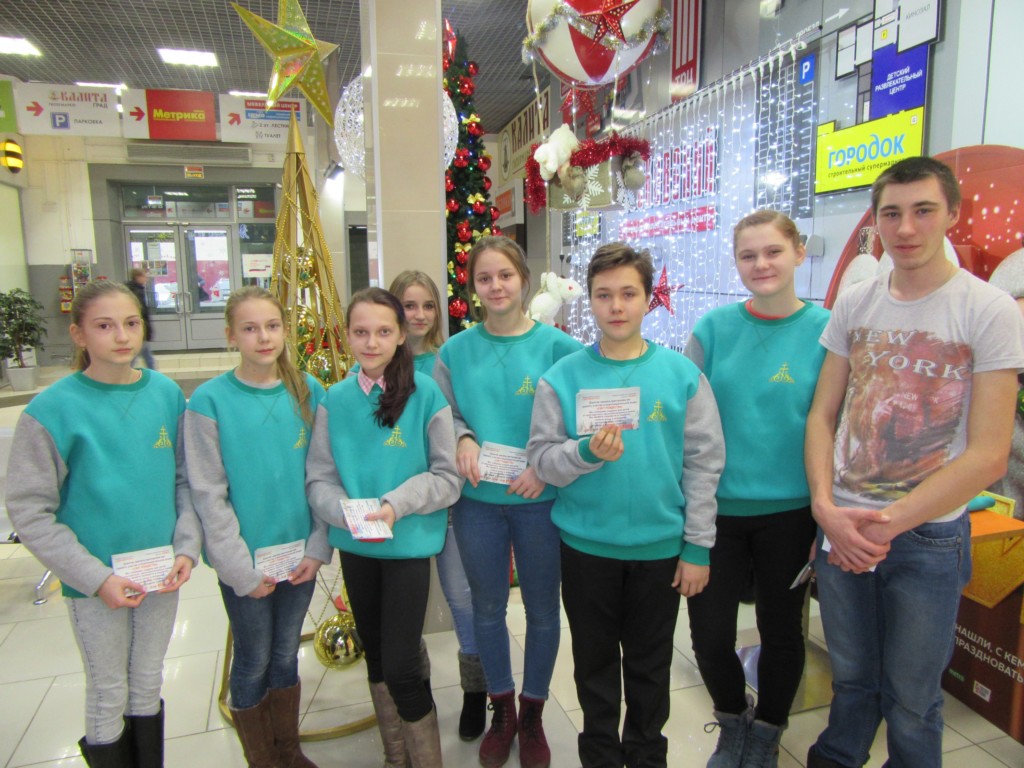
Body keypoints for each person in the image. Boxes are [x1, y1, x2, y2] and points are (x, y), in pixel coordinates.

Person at [804, 156, 1024, 768]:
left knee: (913, 699)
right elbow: (823, 416)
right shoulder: (856, 303)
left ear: (951, 214)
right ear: (876, 221)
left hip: (926, 537)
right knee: (852, 677)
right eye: (892, 213)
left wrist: (886, 524)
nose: (906, 228)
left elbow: (988, 453)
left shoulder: (987, 309)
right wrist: (825, 508)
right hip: (843, 524)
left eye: (923, 211)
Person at [527, 242, 724, 768]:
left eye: (629, 294)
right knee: (593, 669)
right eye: (604, 295)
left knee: (649, 667)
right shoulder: (563, 376)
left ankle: (646, 755)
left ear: (648, 298)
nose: (616, 306)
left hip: (659, 550)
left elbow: (704, 463)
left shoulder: (682, 375)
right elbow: (542, 459)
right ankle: (600, 756)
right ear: (589, 300)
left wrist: (698, 546)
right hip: (587, 548)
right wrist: (585, 453)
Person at [5, 279, 201, 766]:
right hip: (97, 582)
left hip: (159, 574)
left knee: (148, 678)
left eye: (131, 323)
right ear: (79, 334)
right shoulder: (52, 410)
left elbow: (184, 479)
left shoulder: (166, 394)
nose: (122, 336)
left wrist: (186, 547)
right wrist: (95, 579)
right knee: (109, 688)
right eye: (105, 326)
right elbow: (30, 510)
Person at [683, 211, 829, 768]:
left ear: (798, 252)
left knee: (782, 631)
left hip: (792, 514)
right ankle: (731, 719)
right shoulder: (713, 330)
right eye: (748, 255)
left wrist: (825, 518)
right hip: (715, 512)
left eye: (773, 251)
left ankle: (766, 730)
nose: (761, 264)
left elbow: (835, 427)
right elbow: (685, 422)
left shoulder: (827, 331)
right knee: (709, 634)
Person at [434, 235, 581, 768]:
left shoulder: (559, 348)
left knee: (542, 610)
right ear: (472, 288)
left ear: (524, 280)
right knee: (487, 608)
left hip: (541, 501)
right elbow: (444, 413)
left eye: (505, 276)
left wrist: (545, 468)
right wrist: (462, 437)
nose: (496, 286)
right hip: (478, 503)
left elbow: (578, 421)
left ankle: (533, 711)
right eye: (484, 278)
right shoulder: (454, 352)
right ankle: (502, 710)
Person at [306, 287, 462, 768]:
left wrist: (396, 505)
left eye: (382, 331)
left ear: (400, 336)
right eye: (360, 332)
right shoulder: (334, 399)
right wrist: (345, 512)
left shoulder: (426, 393)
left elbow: (447, 477)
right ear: (347, 335)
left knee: (400, 665)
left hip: (408, 547)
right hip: (357, 546)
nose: (371, 342)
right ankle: (397, 758)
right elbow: (319, 478)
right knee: (376, 657)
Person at [185, 286, 327, 768]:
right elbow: (209, 492)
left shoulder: (308, 391)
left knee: (286, 653)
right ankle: (262, 758)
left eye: (272, 326)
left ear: (285, 331)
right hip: (244, 563)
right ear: (231, 335)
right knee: (253, 657)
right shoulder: (209, 401)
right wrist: (239, 570)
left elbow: (323, 474)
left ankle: (289, 749)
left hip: (299, 557)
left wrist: (318, 547)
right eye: (250, 328)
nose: (263, 337)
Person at [390, 270, 489, 740]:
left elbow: (464, 421)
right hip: (398, 508)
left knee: (461, 597)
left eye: (428, 305)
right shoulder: (376, 362)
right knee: (405, 609)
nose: (420, 315)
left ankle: (475, 690)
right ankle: (418, 692)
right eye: (409, 305)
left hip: (448, 499)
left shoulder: (447, 360)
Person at [126, 266, 157, 369]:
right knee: (140, 354)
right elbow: (141, 312)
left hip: (140, 327)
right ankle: (126, 372)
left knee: (146, 356)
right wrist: (146, 329)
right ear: (138, 277)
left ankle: (153, 373)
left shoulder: (132, 290)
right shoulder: (137, 291)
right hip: (140, 327)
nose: (146, 279)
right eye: (144, 276)